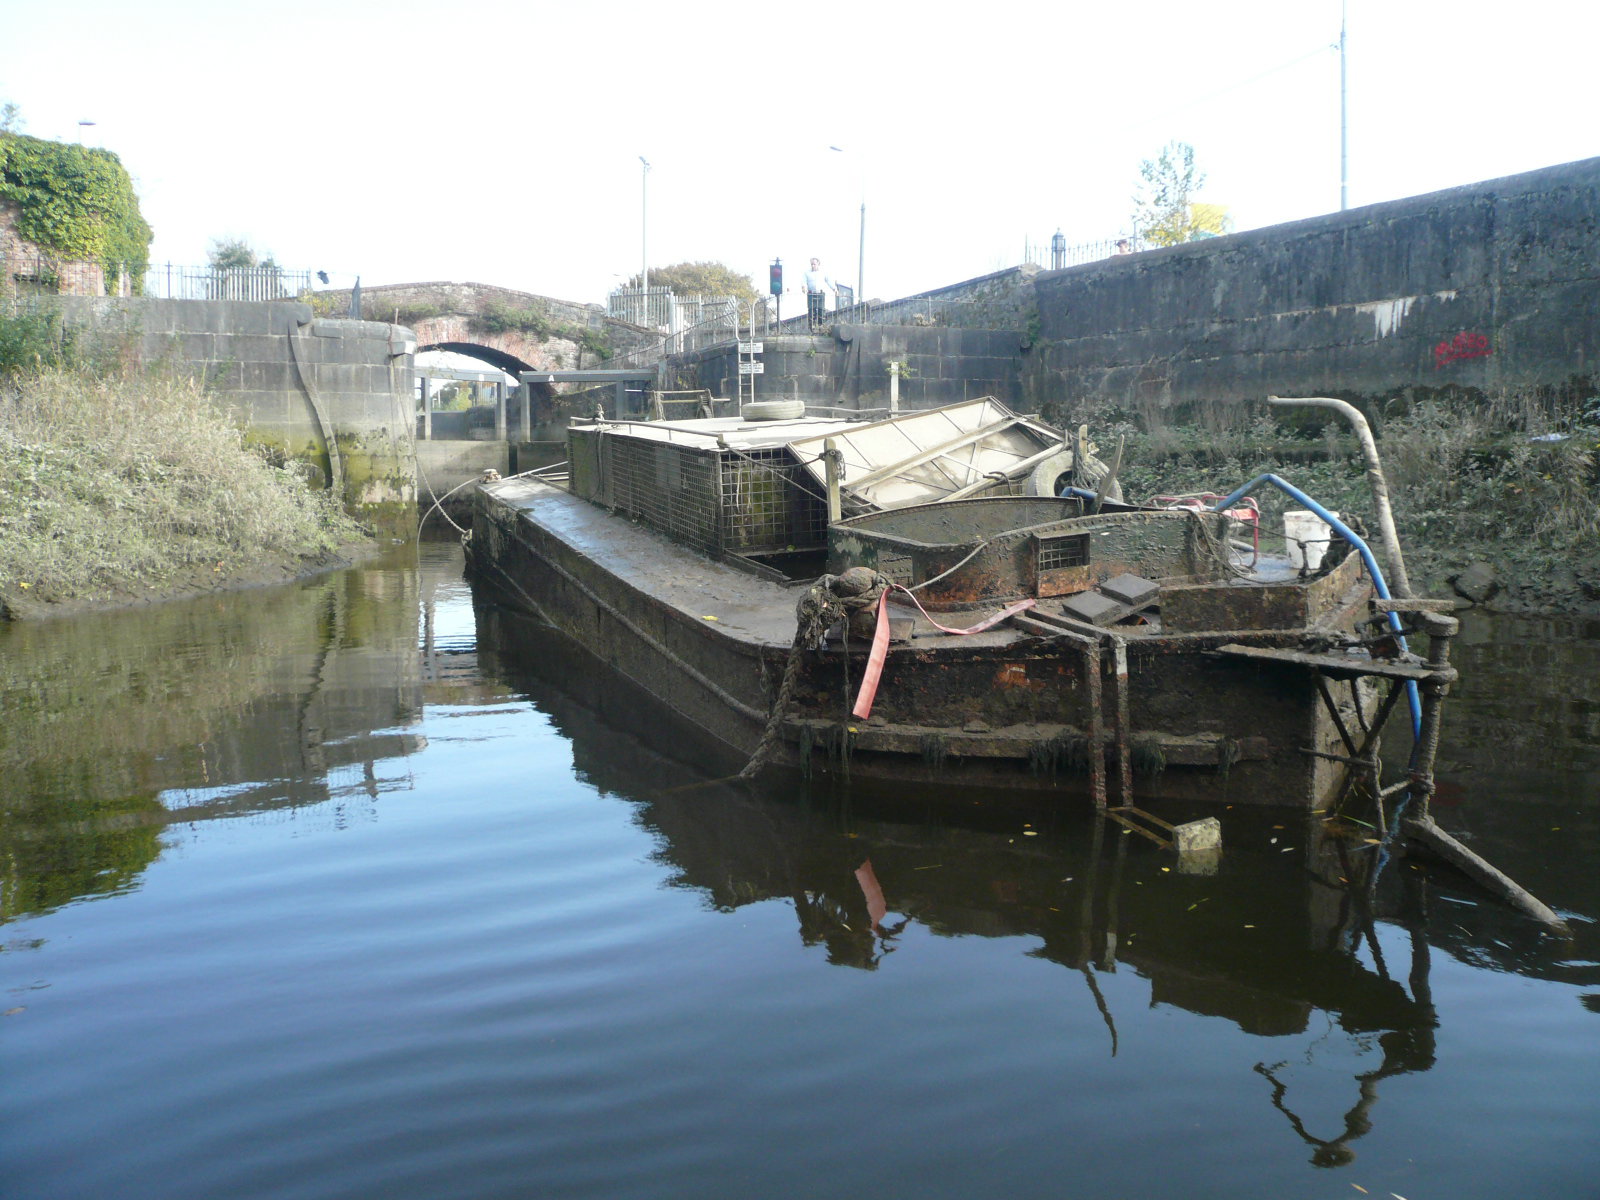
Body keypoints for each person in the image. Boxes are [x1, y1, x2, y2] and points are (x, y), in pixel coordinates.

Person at [804, 257, 835, 330]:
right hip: (811, 294)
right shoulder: (806, 273)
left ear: (818, 264)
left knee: (821, 311)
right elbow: (804, 282)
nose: (812, 266)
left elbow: (829, 281)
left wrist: (834, 289)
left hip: (820, 293)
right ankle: (811, 329)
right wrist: (803, 287)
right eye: (811, 264)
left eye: (814, 264)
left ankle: (822, 328)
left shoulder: (823, 273)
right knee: (811, 312)